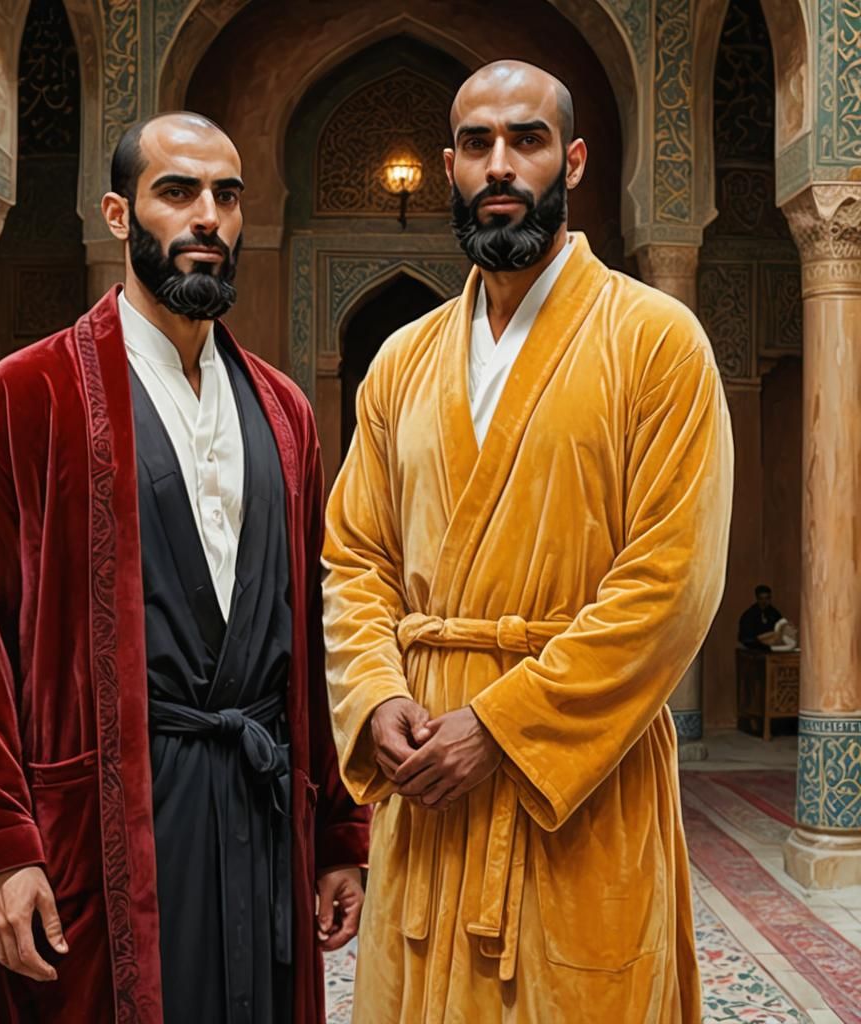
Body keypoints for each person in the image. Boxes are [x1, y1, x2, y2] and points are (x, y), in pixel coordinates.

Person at [0, 112, 368, 1024]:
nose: (207, 216)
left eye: (227, 196)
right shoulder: (24, 397)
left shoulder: (285, 413)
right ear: (119, 215)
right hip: (98, 826)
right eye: (177, 192)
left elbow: (315, 639)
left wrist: (336, 834)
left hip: (258, 811)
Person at [322, 61, 733, 1023]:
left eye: (527, 140)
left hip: (578, 791)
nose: (500, 165)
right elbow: (356, 557)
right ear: (451, 167)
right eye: (477, 144)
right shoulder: (401, 362)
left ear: (573, 161)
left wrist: (506, 729)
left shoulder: (657, 341)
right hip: (427, 775)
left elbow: (671, 583)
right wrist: (377, 695)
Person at [738, 585, 784, 650]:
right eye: (761, 598)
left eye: (767, 598)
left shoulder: (773, 613)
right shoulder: (749, 614)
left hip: (770, 645)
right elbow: (746, 637)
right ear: (757, 599)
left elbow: (781, 625)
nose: (764, 602)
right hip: (752, 647)